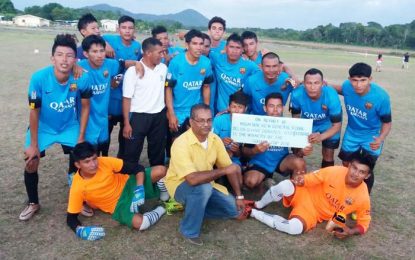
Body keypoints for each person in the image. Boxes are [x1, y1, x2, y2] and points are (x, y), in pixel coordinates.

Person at [19, 34, 91, 221]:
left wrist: (81, 136)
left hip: (69, 125)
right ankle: (33, 202)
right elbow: (34, 112)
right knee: (31, 161)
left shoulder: (82, 77)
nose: (64, 60)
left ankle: (77, 193)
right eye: (60, 55)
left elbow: (85, 107)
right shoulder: (39, 78)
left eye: (69, 56)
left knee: (81, 156)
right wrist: (34, 145)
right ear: (53, 58)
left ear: (75, 59)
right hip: (44, 127)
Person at [165, 104, 246, 246]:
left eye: (209, 120)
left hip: (207, 184)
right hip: (180, 185)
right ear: (191, 122)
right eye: (201, 120)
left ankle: (195, 208)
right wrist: (222, 171)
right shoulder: (180, 143)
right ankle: (189, 231)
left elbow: (230, 168)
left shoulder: (215, 139)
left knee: (235, 211)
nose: (206, 124)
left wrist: (239, 196)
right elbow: (192, 179)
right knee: (203, 189)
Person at [250, 153, 373, 238]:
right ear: (349, 166)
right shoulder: (334, 171)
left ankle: (253, 213)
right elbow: (310, 179)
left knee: (294, 229)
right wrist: (301, 180)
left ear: (367, 176)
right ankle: (257, 204)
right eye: (354, 168)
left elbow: (364, 223)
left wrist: (350, 231)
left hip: (313, 213)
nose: (355, 174)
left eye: (361, 172)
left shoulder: (362, 196)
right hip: (305, 192)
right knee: (285, 185)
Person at [66, 142, 166, 241]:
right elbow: (71, 218)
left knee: (161, 170)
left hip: (128, 183)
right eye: (87, 162)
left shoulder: (104, 161)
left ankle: (163, 194)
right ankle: (161, 209)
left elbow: (137, 168)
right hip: (118, 205)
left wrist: (139, 188)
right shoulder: (77, 186)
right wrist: (80, 231)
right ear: (78, 165)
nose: (93, 164)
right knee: (140, 223)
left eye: (94, 159)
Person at [122, 37, 170, 201]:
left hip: (158, 116)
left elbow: (166, 90)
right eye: (159, 52)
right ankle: (128, 187)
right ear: (148, 53)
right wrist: (127, 123)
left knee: (157, 152)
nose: (162, 55)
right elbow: (126, 98)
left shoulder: (163, 68)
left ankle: (158, 185)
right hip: (138, 118)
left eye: (163, 52)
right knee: (132, 153)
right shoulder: (133, 71)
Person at [333, 62, 392, 193]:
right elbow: (337, 89)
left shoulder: (381, 97)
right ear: (349, 79)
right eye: (354, 80)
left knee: (365, 169)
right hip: (352, 132)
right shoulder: (347, 87)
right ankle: (345, 193)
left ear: (370, 79)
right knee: (346, 166)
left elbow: (387, 122)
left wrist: (380, 138)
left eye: (363, 80)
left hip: (372, 135)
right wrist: (320, 84)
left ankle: (364, 198)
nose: (358, 85)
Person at [242, 93, 312, 190]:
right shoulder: (256, 124)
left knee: (299, 162)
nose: (275, 110)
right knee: (250, 182)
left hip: (281, 159)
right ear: (265, 108)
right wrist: (255, 150)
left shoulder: (290, 125)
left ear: (283, 108)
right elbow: (244, 151)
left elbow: (297, 151)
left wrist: (302, 151)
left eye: (278, 106)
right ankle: (265, 178)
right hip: (260, 161)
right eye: (271, 106)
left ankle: (295, 194)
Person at [102, 15, 142, 158]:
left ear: (134, 30)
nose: (127, 31)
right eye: (124, 28)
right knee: (105, 132)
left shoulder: (137, 46)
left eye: (130, 28)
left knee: (125, 131)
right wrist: (104, 44)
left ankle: (121, 158)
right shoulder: (109, 39)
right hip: (111, 95)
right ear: (119, 29)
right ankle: (104, 157)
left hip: (127, 96)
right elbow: (93, 36)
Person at [165, 29, 214, 138]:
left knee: (196, 144)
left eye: (201, 44)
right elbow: (168, 89)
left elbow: (206, 86)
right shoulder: (176, 63)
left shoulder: (206, 63)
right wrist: (171, 113)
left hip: (195, 112)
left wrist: (206, 110)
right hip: (178, 111)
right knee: (177, 144)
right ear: (187, 44)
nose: (199, 47)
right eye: (195, 43)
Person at [78, 35, 121, 156]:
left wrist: (136, 63)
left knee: (104, 152)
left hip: (103, 119)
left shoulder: (110, 64)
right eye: (95, 51)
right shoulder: (79, 67)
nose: (100, 55)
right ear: (86, 54)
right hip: (87, 121)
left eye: (102, 51)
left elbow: (123, 65)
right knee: (88, 153)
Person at [290, 68, 342, 168]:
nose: (312, 87)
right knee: (298, 151)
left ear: (323, 83)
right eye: (309, 83)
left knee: (328, 154)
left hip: (328, 124)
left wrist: (321, 137)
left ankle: (326, 181)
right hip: (307, 123)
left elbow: (337, 125)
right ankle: (295, 178)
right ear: (303, 84)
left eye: (316, 83)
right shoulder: (297, 94)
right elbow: (295, 119)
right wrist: (299, 138)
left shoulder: (331, 95)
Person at [210, 33, 260, 113]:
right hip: (221, 111)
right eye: (231, 47)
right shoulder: (217, 58)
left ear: (242, 50)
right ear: (226, 48)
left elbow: (264, 75)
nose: (234, 51)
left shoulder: (249, 65)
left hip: (240, 112)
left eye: (238, 48)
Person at [213, 91, 249, 171]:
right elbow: (210, 141)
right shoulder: (218, 119)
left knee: (235, 168)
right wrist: (221, 141)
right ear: (228, 107)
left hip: (236, 159)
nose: (236, 110)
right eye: (234, 106)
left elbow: (243, 154)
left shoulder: (248, 124)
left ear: (245, 109)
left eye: (240, 107)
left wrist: (236, 150)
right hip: (217, 156)